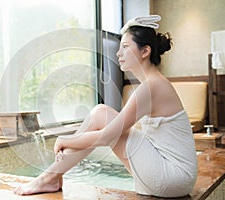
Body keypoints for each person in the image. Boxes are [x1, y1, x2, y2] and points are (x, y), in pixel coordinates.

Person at [13, 15, 198, 198]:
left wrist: (64, 141)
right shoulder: (152, 84)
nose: (119, 54)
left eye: (125, 47)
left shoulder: (151, 87)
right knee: (101, 113)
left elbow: (107, 137)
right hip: (171, 176)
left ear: (145, 51)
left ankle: (50, 177)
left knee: (101, 115)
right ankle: (52, 176)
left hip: (172, 178)